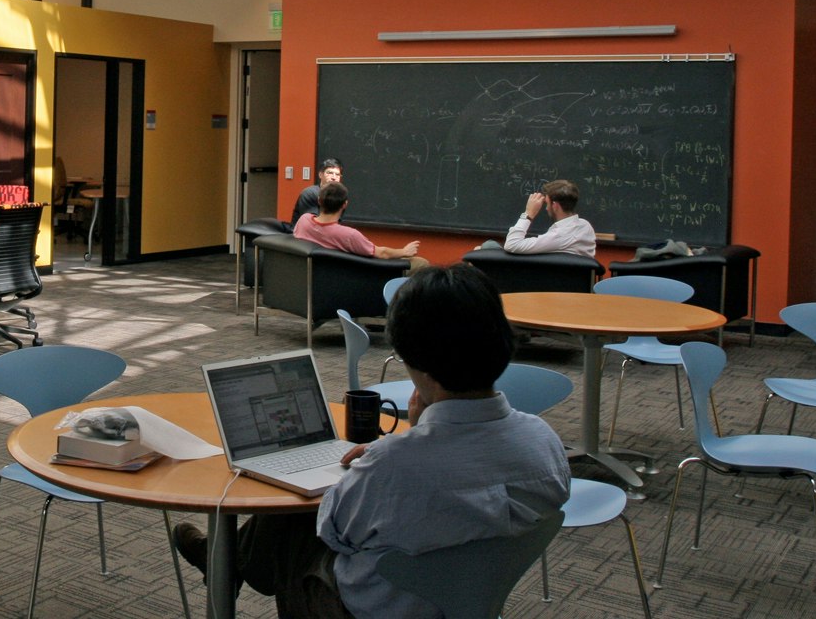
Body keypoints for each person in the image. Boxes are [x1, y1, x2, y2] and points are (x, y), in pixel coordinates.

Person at [172, 263, 571, 618]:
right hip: (475, 600)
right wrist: (414, 440)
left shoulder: (391, 467)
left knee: (297, 512)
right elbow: (463, 496)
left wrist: (396, 451)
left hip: (359, 607)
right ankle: (229, 561)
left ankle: (228, 563)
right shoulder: (544, 442)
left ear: (412, 358)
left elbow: (333, 530)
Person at [294, 182, 419, 260]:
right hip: (360, 275)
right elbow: (382, 254)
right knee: (420, 263)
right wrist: (404, 251)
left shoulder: (303, 221)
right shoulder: (349, 235)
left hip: (321, 276)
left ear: (319, 201)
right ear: (345, 205)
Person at [503, 178, 596, 257]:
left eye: (547, 203)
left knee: (491, 246)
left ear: (555, 206)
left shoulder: (559, 235)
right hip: (575, 277)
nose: (546, 208)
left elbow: (512, 244)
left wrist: (528, 214)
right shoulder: (586, 226)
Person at [290, 158, 342, 226]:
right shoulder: (310, 193)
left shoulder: (339, 196)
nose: (334, 177)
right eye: (330, 173)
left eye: (337, 174)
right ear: (320, 175)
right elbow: (312, 224)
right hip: (304, 235)